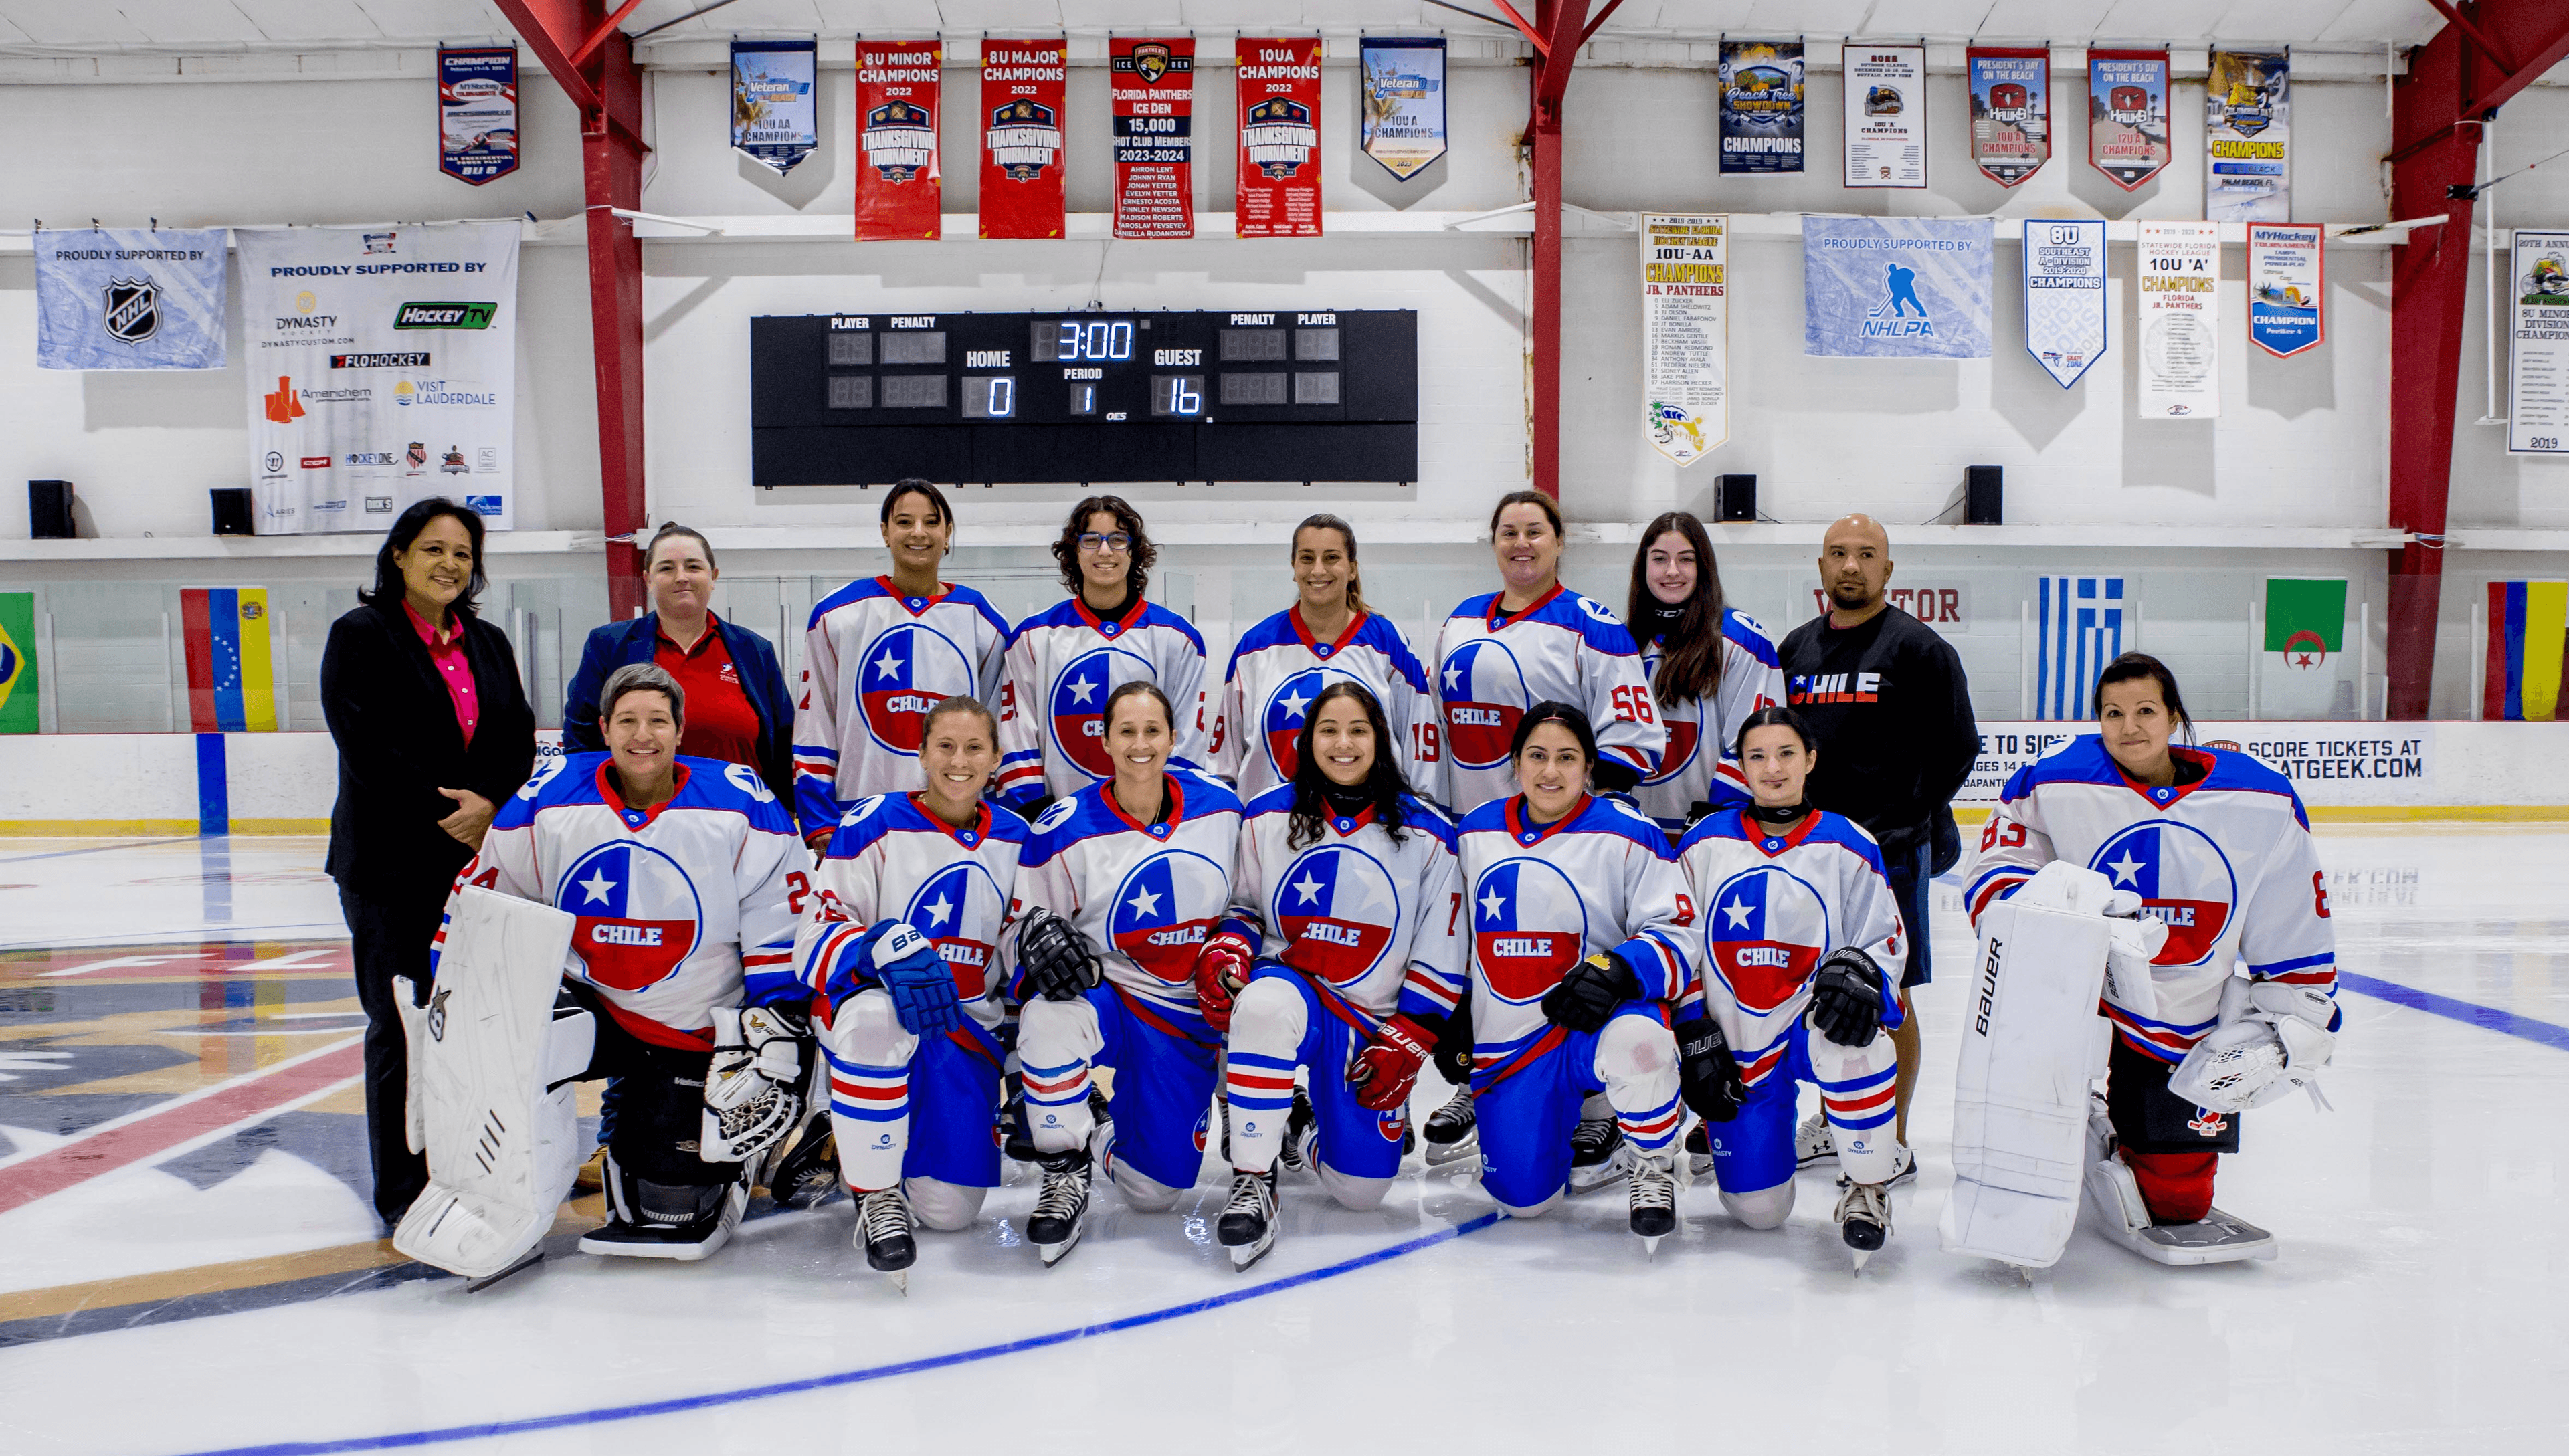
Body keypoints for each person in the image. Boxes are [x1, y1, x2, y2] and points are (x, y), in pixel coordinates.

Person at [414, 663, 806, 1265]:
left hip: (691, 1025)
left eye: (657, 720)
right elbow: (487, 899)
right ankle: (505, 1194)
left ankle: (718, 1141)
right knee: (506, 1049)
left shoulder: (740, 801)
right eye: (627, 720)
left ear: (681, 731)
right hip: (591, 1005)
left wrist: (768, 1028)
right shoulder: (548, 795)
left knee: (666, 1203)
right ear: (603, 727)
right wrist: (452, 994)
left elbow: (780, 917)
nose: (641, 734)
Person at [1957, 653, 2338, 1265]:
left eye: (2144, 711)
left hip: (2187, 1012)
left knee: (2179, 1203)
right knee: (2026, 1131)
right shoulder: (2057, 779)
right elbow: (1997, 867)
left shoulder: (2258, 797)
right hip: (2081, 993)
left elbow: (2290, 911)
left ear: (2174, 717)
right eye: (2112, 713)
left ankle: (2120, 1128)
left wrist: (2290, 1005)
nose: (2128, 726)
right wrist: (2049, 912)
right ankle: (2076, 1115)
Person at [1426, 490, 1664, 1178]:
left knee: (1569, 962)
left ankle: (1600, 1112)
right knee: (1490, 964)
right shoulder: (1460, 621)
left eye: (1535, 531)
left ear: (1559, 542)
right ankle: (1483, 1081)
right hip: (1480, 836)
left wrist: (1575, 818)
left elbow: (1634, 737)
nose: (1521, 543)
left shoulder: (1590, 624)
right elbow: (1442, 737)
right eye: (1508, 531)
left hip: (1564, 841)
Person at [320, 498, 536, 1227]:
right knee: (401, 1025)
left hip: (472, 869)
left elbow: (515, 737)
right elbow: (367, 746)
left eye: (464, 553)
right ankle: (404, 1189)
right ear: (400, 556)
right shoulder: (361, 635)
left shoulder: (489, 641)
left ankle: (467, 1166)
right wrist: (459, 816)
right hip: (389, 869)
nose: (450, 564)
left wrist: (495, 810)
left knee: (472, 1028)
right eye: (434, 549)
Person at [1204, 682, 1463, 1270]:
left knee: (1362, 1192)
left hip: (1365, 1018)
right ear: (1307, 739)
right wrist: (1227, 950)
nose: (1343, 743)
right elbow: (1243, 907)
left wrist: (1414, 1033)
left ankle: (1296, 1127)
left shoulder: (1427, 833)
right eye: (1329, 730)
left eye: (1358, 730)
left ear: (1381, 740)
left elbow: (1440, 944)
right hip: (1290, 986)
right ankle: (1253, 1175)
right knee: (1263, 1009)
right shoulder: (1267, 813)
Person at [789, 696, 1026, 1287]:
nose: (959, 760)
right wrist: (875, 947)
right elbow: (810, 941)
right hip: (881, 1016)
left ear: (997, 757)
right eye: (944, 745)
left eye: (975, 747)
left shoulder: (1018, 838)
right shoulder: (873, 823)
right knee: (873, 1017)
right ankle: (874, 1191)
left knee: (950, 1213)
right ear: (920, 753)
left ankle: (859, 1136)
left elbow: (1021, 948)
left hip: (964, 1031)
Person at [1007, 681, 1244, 1265]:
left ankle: (1101, 1125)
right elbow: (1021, 930)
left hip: (1190, 1012)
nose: (1141, 744)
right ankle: (1063, 1167)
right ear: (1106, 741)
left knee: (1153, 1193)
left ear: (1172, 736)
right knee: (1047, 1014)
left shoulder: (1223, 808)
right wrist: (1032, 938)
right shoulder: (1063, 827)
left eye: (1152, 731)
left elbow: (1251, 903)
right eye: (1127, 732)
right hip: (1112, 995)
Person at [1672, 707, 1907, 1270]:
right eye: (1757, 756)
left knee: (1864, 1043)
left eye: (1785, 754)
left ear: (1811, 760)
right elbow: (1674, 938)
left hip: (1810, 1029)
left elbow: (1884, 941)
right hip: (1738, 1044)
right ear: (1742, 767)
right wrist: (1692, 1029)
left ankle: (1867, 1183)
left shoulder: (1850, 843)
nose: (1772, 768)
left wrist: (1861, 975)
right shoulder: (1704, 843)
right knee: (1759, 1211)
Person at [1778, 514, 1976, 1178]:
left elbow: (1958, 747)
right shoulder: (1795, 650)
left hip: (1889, 849)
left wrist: (1906, 811)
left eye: (1867, 554)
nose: (1851, 565)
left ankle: (1890, 1133)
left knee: (1891, 990)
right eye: (1838, 553)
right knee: (1814, 985)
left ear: (1888, 570)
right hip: (1807, 852)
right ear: (1821, 566)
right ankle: (1833, 1119)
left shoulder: (1919, 650)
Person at [1454, 702, 1689, 1252]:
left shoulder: (1632, 833)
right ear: (1515, 762)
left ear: (1589, 768)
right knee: (1524, 1203)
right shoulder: (1476, 832)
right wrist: (1450, 1015)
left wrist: (1620, 968)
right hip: (1512, 1040)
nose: (1550, 772)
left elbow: (1680, 935)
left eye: (1567, 758)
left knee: (1640, 1041)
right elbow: (1451, 934)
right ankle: (1577, 1136)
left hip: (1595, 1027)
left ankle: (1650, 1158)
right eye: (1537, 756)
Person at [794, 480, 1012, 845]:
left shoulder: (983, 621)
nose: (918, 533)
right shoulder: (836, 614)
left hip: (958, 820)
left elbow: (999, 733)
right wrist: (820, 820)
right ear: (885, 532)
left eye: (931, 522)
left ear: (948, 533)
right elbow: (814, 724)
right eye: (904, 521)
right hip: (858, 818)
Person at [565, 522, 798, 818]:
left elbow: (784, 738)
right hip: (640, 819)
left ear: (713, 577)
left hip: (740, 817)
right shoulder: (608, 645)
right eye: (666, 569)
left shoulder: (754, 650)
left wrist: (787, 814)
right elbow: (582, 736)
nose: (682, 578)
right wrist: (593, 809)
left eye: (693, 567)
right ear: (648, 579)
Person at [995, 496, 1209, 816]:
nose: (1106, 551)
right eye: (1092, 540)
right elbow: (1017, 734)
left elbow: (1187, 739)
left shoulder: (1177, 638)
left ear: (1134, 551)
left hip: (1149, 822)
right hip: (1058, 826)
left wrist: (1161, 811)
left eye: (1118, 540)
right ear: (1074, 552)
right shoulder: (1033, 638)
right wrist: (1040, 816)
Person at [1210, 514, 1436, 805]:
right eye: (1307, 558)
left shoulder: (1388, 643)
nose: (1318, 570)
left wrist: (1418, 814)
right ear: (1293, 567)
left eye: (1331, 558)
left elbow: (1420, 746)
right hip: (1273, 830)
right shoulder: (1255, 647)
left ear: (1352, 569)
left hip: (1372, 828)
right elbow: (1225, 759)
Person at [1626, 510, 1784, 836]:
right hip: (1635, 836)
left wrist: (1717, 824)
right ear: (1643, 567)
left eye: (1686, 559)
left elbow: (1755, 741)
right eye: (1659, 559)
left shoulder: (1742, 640)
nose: (1672, 571)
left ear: (1703, 567)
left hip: (1713, 836)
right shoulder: (1621, 641)